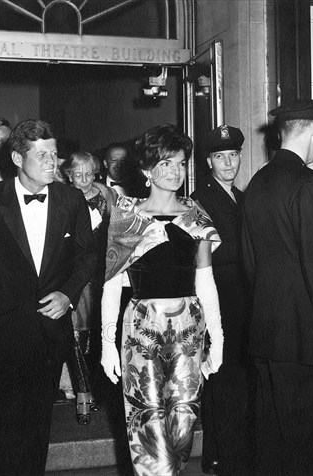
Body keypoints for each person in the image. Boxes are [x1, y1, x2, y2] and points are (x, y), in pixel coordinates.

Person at [0, 119, 96, 475]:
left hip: (48, 335)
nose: (52, 162)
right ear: (17, 157)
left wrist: (68, 294)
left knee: (37, 432)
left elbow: (87, 256)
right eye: (42, 154)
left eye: (55, 153)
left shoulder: (71, 199)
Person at [100, 124, 224, 475]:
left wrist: (218, 337)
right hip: (141, 330)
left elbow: (206, 280)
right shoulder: (127, 217)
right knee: (147, 427)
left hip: (189, 329)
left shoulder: (196, 216)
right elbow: (112, 284)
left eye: (181, 163)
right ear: (146, 170)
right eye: (166, 164)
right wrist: (108, 343)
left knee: (182, 431)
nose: (175, 172)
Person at [242, 99, 313, 475]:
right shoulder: (310, 184)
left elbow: (250, 263)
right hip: (305, 341)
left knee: (272, 444)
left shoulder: (256, 182)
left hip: (266, 334)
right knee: (309, 447)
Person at [190, 125, 252, 475]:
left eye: (233, 155)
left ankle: (222, 453)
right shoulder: (201, 200)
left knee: (233, 378)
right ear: (209, 161)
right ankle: (224, 456)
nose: (228, 162)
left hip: (242, 302)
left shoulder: (242, 197)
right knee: (223, 378)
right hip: (220, 300)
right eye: (220, 157)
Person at [64, 152, 116, 424]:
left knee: (98, 332)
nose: (84, 180)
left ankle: (96, 387)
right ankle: (83, 393)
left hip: (104, 272)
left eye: (89, 173)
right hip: (74, 273)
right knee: (74, 334)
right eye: (77, 174)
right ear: (68, 175)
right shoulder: (62, 196)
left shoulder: (107, 194)